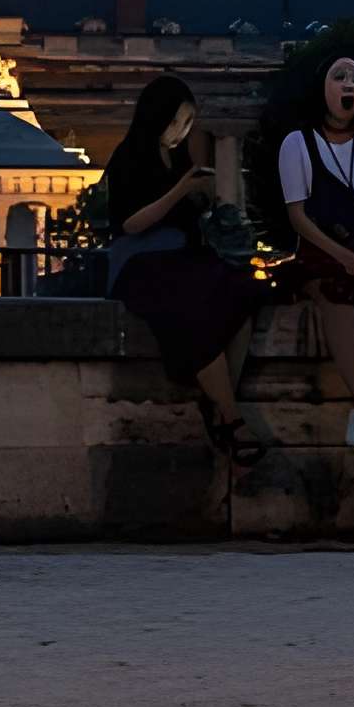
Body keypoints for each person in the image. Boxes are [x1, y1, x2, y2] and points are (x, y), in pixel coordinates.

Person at [100, 76, 271, 466]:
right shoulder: (129, 157)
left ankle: (222, 402)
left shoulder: (177, 160)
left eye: (188, 123)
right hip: (140, 264)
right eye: (177, 121)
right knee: (191, 306)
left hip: (182, 257)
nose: (181, 131)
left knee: (242, 290)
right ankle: (231, 417)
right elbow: (130, 223)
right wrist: (180, 191)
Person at [277, 54, 354, 448]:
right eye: (340, 76)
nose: (349, 84)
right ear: (322, 88)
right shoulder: (296, 143)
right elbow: (298, 217)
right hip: (320, 254)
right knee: (337, 298)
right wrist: (343, 257)